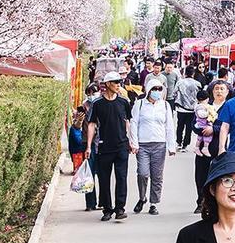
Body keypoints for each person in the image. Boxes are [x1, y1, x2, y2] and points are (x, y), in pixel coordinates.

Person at [86, 73, 135, 222]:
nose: (118, 84)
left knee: (121, 178)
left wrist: (132, 141)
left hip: (121, 146)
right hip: (104, 146)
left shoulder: (123, 102)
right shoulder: (98, 104)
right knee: (104, 179)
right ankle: (107, 209)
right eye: (115, 82)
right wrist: (88, 146)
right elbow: (92, 124)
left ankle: (120, 208)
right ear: (107, 84)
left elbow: (128, 121)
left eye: (119, 82)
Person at [131, 77, 174, 215]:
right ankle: (142, 198)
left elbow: (169, 126)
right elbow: (134, 123)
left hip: (159, 144)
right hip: (143, 145)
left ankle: (153, 203)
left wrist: (171, 146)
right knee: (143, 173)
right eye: (154, 89)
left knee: (157, 176)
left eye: (159, 89)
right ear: (148, 90)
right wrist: (134, 142)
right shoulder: (140, 104)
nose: (157, 92)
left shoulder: (165, 106)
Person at [193, 80, 228, 214]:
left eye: (222, 89)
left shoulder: (229, 107)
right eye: (216, 89)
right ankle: (201, 201)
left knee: (220, 175)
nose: (219, 91)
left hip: (220, 146)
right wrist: (201, 129)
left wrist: (214, 129)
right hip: (203, 146)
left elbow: (230, 126)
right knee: (201, 174)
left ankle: (218, 202)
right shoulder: (204, 106)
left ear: (227, 92)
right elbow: (194, 123)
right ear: (212, 92)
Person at [67, 105, 95, 212]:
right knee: (89, 174)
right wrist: (79, 121)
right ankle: (90, 203)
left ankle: (103, 202)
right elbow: (77, 132)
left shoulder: (98, 109)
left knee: (102, 176)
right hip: (85, 146)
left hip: (98, 144)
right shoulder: (79, 122)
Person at [173, 65, 201, 152]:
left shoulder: (180, 83)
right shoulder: (197, 84)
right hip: (192, 109)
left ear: (185, 73)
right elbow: (200, 96)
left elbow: (174, 93)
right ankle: (185, 144)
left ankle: (179, 143)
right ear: (193, 74)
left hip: (181, 109)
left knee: (180, 126)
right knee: (189, 127)